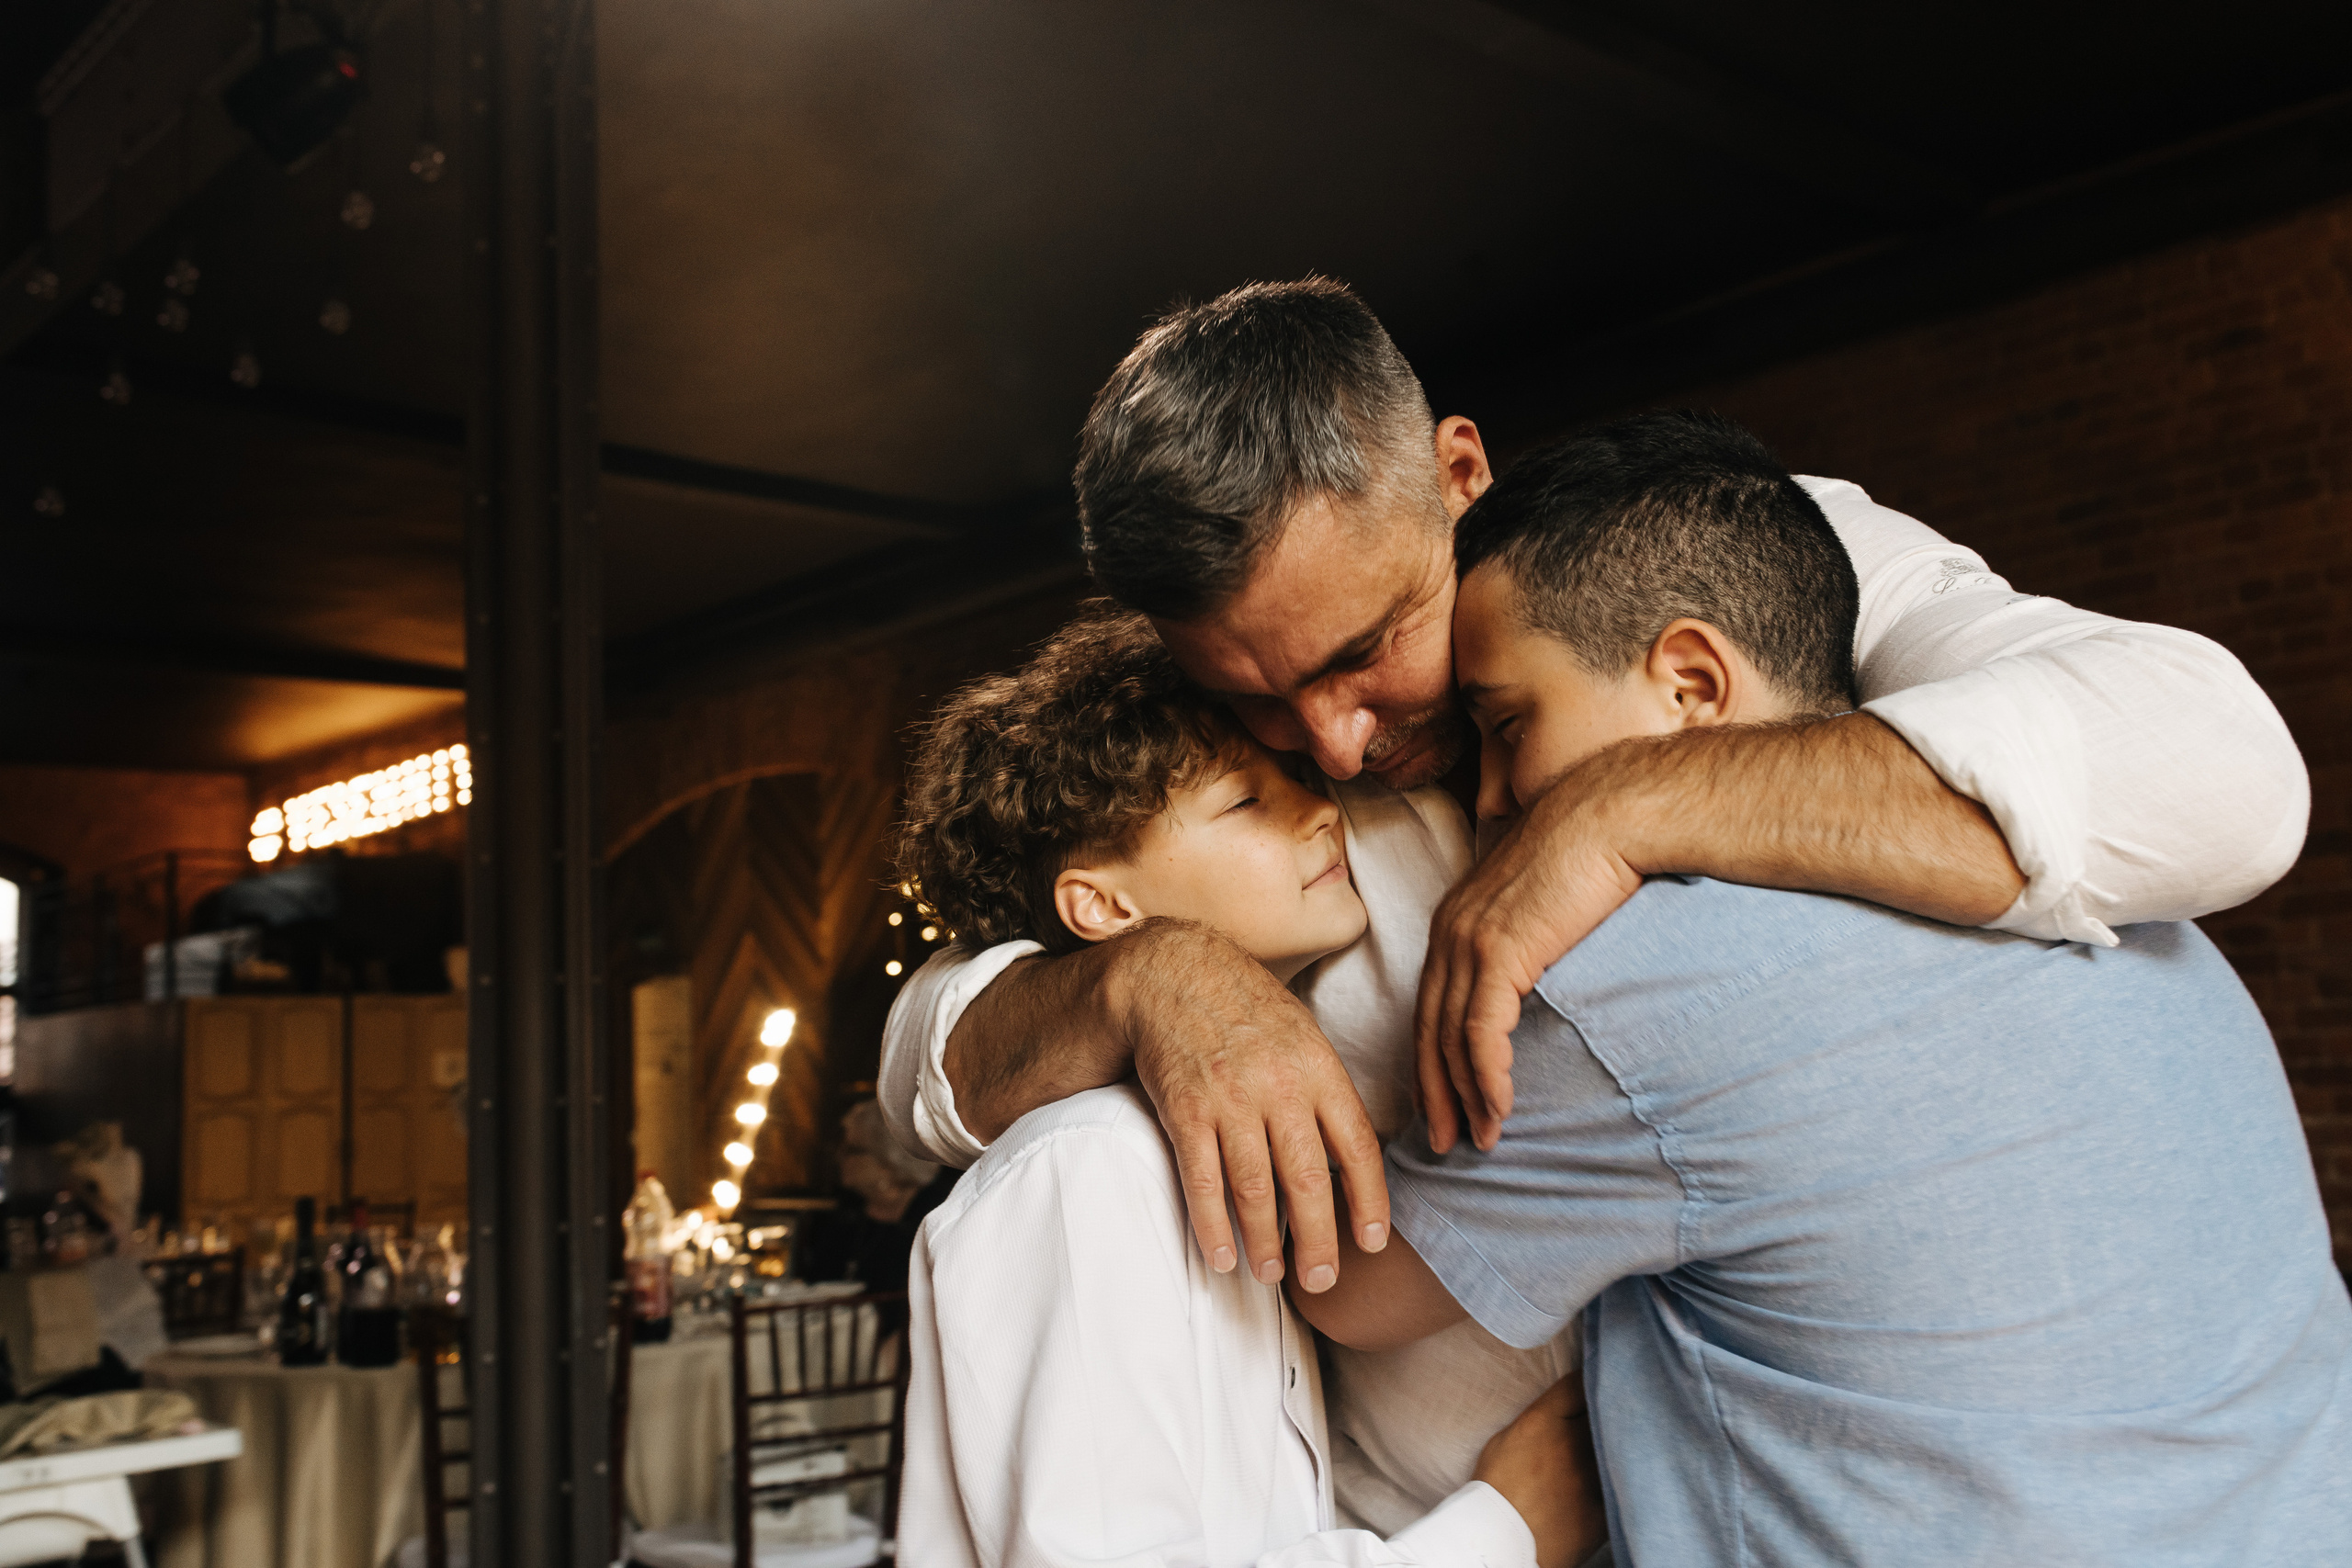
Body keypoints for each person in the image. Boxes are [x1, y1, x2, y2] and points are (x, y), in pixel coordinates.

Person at [879, 278, 2311, 1526]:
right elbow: (925, 1054)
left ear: (1458, 472)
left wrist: (1625, 809)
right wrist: (1155, 981)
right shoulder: (1241, 796)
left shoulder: (1735, 555)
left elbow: (2230, 774)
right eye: (1253, 694)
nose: (1333, 741)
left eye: (1370, 646)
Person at [1295, 412, 2352, 1562]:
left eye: (1506, 726)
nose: (1491, 799)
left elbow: (1349, 1284)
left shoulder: (1635, 996)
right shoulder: (2126, 896)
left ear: (1693, 682)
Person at [893, 614, 1600, 1567]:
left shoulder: (1211, 1141)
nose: (1317, 813)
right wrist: (1509, 1525)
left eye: (1296, 784)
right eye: (1243, 804)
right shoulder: (1086, 1174)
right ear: (1102, 906)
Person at [796, 1100, 954, 1295]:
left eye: (851, 1150)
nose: (839, 1158)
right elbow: (816, 1285)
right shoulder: (845, 1214)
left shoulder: (940, 1216)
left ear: (889, 1161)